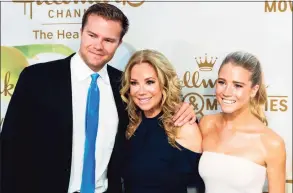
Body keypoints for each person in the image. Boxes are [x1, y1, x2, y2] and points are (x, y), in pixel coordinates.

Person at [0, 3, 196, 193]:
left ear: (119, 43)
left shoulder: (125, 85)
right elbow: (8, 149)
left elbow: (153, 115)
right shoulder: (37, 78)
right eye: (92, 35)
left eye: (109, 40)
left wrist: (183, 108)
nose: (98, 46)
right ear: (81, 32)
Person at [198, 51, 286, 193]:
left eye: (238, 85)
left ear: (253, 90)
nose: (226, 92)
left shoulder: (271, 143)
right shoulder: (207, 124)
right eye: (222, 82)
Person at [120, 49, 205, 193]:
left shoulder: (183, 124)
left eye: (150, 82)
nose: (141, 91)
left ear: (164, 83)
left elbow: (204, 181)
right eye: (134, 83)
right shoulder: (131, 123)